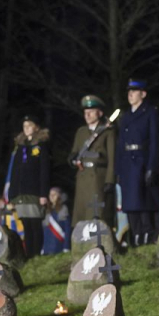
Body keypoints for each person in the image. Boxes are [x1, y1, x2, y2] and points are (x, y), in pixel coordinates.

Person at [115, 78, 159, 246]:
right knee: (130, 204)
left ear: (143, 94)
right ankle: (135, 235)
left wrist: (151, 167)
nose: (130, 94)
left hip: (142, 161)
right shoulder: (126, 116)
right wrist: (119, 170)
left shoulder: (150, 113)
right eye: (129, 91)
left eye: (134, 91)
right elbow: (120, 145)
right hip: (128, 163)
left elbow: (155, 141)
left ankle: (147, 235)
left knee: (143, 203)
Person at [4, 115, 51, 258]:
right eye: (24, 126)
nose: (26, 129)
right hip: (20, 193)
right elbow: (15, 172)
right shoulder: (20, 147)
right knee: (26, 225)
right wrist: (12, 195)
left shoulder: (41, 146)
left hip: (35, 193)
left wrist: (44, 194)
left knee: (35, 224)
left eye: (29, 125)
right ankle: (29, 256)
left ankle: (37, 255)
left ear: (36, 127)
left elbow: (45, 172)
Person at [69, 95, 116, 227]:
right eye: (85, 112)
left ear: (99, 113)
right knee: (82, 213)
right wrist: (72, 159)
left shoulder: (107, 131)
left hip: (98, 176)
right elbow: (75, 152)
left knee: (97, 213)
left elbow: (112, 157)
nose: (87, 115)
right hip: (83, 176)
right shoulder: (81, 132)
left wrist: (109, 180)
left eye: (91, 112)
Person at [42, 187, 72, 254]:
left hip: (59, 245)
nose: (52, 196)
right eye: (50, 194)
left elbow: (67, 230)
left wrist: (66, 247)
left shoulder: (64, 209)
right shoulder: (47, 209)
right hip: (47, 247)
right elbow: (45, 230)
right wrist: (43, 247)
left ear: (59, 196)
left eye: (54, 194)